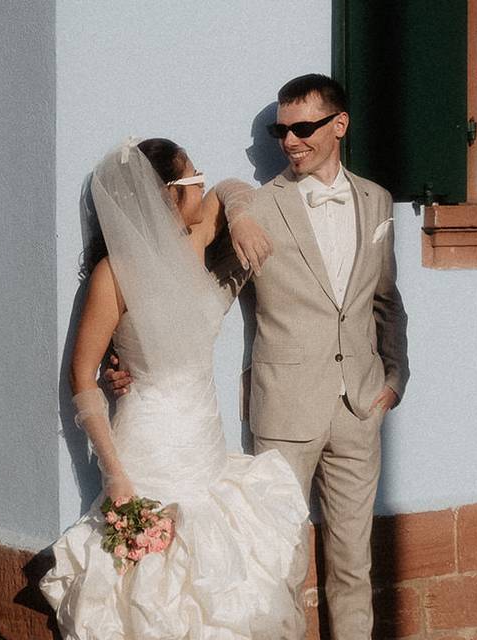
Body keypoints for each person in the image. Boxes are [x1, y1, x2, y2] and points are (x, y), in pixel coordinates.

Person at [110, 74, 410, 639]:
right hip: (285, 414)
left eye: (303, 128)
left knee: (353, 565)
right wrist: (131, 352)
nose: (290, 141)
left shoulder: (377, 200)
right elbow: (197, 294)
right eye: (280, 130)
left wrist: (394, 378)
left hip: (361, 409)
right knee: (279, 566)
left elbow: (386, 301)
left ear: (339, 125)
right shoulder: (262, 205)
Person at [40, 138, 310, 640]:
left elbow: (233, 188)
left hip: (205, 439)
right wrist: (114, 473)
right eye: (192, 180)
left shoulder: (194, 239)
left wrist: (244, 216)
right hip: (149, 446)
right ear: (167, 192)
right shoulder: (113, 274)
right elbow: (82, 374)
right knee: (157, 596)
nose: (202, 185)